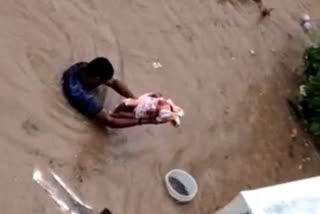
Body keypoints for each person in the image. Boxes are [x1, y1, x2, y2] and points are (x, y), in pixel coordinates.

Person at [62, 57, 161, 128]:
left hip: (81, 82)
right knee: (108, 116)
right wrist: (144, 121)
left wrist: (137, 101)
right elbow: (110, 122)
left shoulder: (84, 67)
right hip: (76, 94)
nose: (108, 82)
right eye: (105, 81)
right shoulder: (81, 96)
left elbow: (114, 82)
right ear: (97, 78)